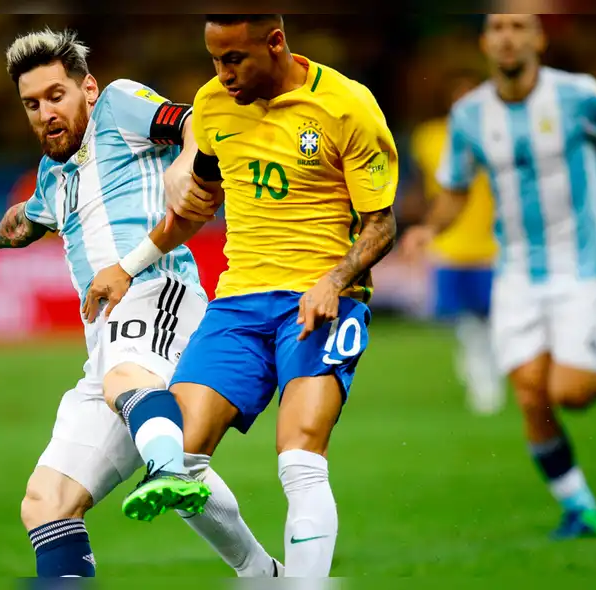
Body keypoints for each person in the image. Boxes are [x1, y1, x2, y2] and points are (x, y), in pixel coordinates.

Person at [0, 28, 281, 577]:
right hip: (103, 340)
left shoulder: (120, 107)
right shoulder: (55, 176)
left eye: (56, 95)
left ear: (89, 89)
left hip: (159, 290)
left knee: (129, 386)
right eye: (32, 104)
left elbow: (195, 119)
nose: (45, 113)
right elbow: (28, 222)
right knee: (46, 502)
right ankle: (264, 574)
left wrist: (185, 162)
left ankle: (169, 466)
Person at [85, 14, 398, 577]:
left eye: (234, 58)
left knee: (300, 460)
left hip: (320, 302)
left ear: (275, 42)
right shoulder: (211, 106)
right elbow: (194, 209)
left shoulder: (347, 106)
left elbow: (381, 225)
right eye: (214, 59)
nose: (222, 74)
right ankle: (262, 575)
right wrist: (128, 267)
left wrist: (332, 280)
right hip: (237, 303)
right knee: (179, 460)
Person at [400, 14, 596, 539]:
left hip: (580, 264)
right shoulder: (470, 113)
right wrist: (430, 228)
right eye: (497, 27)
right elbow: (455, 187)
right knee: (529, 395)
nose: (507, 36)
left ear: (538, 38)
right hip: (516, 269)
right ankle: (579, 507)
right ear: (484, 42)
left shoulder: (578, 95)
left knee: (570, 392)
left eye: (519, 26)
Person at [406, 68, 504, 415]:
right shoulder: (430, 137)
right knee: (466, 323)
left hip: (493, 244)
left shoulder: (501, 134)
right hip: (449, 245)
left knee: (496, 322)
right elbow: (421, 187)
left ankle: (492, 377)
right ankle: (482, 383)